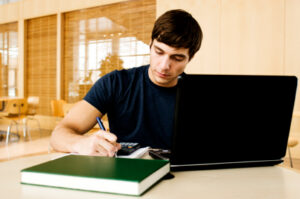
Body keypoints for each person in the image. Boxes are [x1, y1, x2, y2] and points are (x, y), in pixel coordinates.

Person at [50, 9, 203, 157]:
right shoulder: (115, 83)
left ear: (191, 57)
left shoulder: (199, 95)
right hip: (124, 176)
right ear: (150, 45)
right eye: (159, 52)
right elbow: (58, 135)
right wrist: (80, 142)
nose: (164, 65)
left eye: (177, 58)